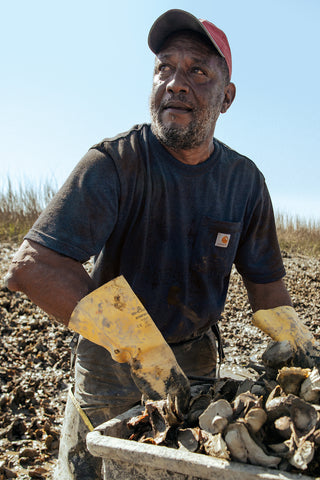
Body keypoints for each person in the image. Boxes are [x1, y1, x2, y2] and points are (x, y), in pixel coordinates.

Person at [4, 9, 318, 480]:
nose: (175, 82)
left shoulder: (244, 182)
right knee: (95, 466)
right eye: (164, 67)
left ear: (226, 97)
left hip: (196, 361)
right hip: (112, 363)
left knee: (186, 464)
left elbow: (267, 286)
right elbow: (33, 265)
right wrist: (142, 348)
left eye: (197, 70)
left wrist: (304, 359)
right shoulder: (114, 163)